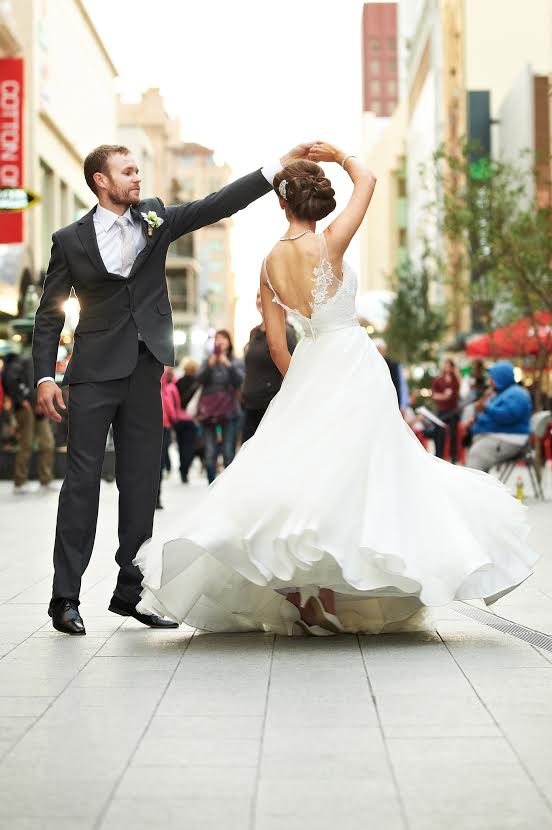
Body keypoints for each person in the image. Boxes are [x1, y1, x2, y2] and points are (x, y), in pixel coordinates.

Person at [135, 144, 538, 637]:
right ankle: (340, 581)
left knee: (306, 472)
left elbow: (278, 346)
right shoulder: (329, 244)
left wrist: (304, 383)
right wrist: (341, 155)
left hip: (311, 364)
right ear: (312, 201)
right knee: (362, 473)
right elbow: (367, 181)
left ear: (280, 202)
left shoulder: (267, 265)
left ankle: (307, 590)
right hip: (353, 361)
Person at [33, 139, 313, 635]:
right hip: (93, 374)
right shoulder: (69, 240)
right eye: (127, 171)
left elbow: (215, 205)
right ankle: (65, 599)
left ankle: (130, 593)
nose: (137, 178)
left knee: (142, 487)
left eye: (139, 170)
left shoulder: (156, 219)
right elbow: (49, 313)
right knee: (81, 486)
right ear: (101, 180)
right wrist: (44, 375)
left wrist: (274, 168)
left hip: (145, 372)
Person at [241, 287, 297, 442]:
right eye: (258, 296)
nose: (261, 300)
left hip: (271, 409)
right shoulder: (254, 333)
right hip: (250, 408)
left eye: (265, 295)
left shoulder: (286, 332)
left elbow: (293, 370)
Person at [2, 351, 55, 494]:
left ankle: (46, 480)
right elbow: (12, 380)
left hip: (36, 406)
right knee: (26, 444)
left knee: (47, 443)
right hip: (26, 408)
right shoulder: (27, 360)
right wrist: (21, 400)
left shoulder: (33, 361)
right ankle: (20, 483)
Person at [466, 361, 532, 472]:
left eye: (492, 378)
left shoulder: (517, 394)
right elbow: (491, 415)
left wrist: (485, 409)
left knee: (476, 454)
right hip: (500, 435)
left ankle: (475, 488)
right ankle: (480, 485)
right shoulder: (500, 393)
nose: (489, 382)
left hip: (511, 438)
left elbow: (508, 416)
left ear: (501, 377)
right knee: (475, 449)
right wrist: (478, 418)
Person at [196, 329, 242, 483]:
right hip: (209, 412)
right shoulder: (208, 360)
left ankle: (227, 487)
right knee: (210, 452)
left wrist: (227, 364)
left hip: (229, 410)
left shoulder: (235, 361)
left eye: (223, 338)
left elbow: (239, 381)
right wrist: (210, 364)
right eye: (217, 338)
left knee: (229, 451)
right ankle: (211, 486)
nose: (220, 341)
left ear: (229, 342)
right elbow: (199, 379)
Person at [157, 368, 180, 509]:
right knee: (159, 463)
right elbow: (173, 409)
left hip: (157, 426)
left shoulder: (165, 388)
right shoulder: (169, 388)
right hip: (163, 426)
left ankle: (155, 497)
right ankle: (157, 497)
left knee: (156, 463)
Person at [174, 358, 200, 483]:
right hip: (192, 419)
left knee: (181, 445)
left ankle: (182, 468)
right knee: (190, 447)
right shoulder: (198, 383)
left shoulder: (178, 382)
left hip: (178, 419)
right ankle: (184, 468)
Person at [431, 358, 460, 463]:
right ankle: (439, 455)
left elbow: (458, 391)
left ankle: (454, 456)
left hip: (453, 410)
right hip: (442, 410)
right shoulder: (439, 380)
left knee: (453, 434)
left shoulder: (455, 380)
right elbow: (434, 395)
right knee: (439, 433)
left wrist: (457, 373)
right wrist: (444, 396)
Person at [373, 339, 408, 412]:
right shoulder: (369, 366)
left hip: (390, 404)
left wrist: (401, 405)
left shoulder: (393, 366)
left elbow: (400, 386)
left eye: (380, 350)